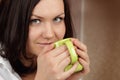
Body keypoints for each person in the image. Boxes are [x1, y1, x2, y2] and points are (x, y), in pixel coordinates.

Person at [0, 0, 90, 80]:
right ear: (14, 22)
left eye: (57, 19)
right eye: (35, 21)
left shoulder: (62, 70)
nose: (49, 34)